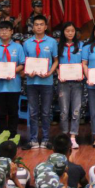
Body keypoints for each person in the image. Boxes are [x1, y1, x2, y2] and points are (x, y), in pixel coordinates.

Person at [23, 15, 59, 150]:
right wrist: (28, 71)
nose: (39, 27)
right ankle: (33, 139)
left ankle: (45, 139)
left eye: (41, 24)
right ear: (33, 27)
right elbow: (24, 62)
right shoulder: (27, 43)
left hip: (47, 81)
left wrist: (50, 72)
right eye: (36, 24)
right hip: (31, 82)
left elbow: (56, 60)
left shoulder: (52, 42)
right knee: (33, 112)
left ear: (45, 26)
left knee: (45, 112)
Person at [0, 21, 25, 139]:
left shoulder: (18, 47)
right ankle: (2, 137)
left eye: (6, 30)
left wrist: (12, 71)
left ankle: (13, 137)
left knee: (13, 112)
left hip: (13, 86)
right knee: (1, 113)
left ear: (11, 31)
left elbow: (22, 64)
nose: (4, 32)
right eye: (1, 30)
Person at [56, 22, 84, 149]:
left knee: (76, 110)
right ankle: (64, 136)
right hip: (63, 82)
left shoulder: (81, 46)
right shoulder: (58, 46)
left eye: (72, 31)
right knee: (64, 111)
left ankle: (73, 136)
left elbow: (84, 62)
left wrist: (82, 73)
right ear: (63, 32)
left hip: (77, 82)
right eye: (67, 31)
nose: (70, 33)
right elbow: (55, 62)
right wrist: (58, 73)